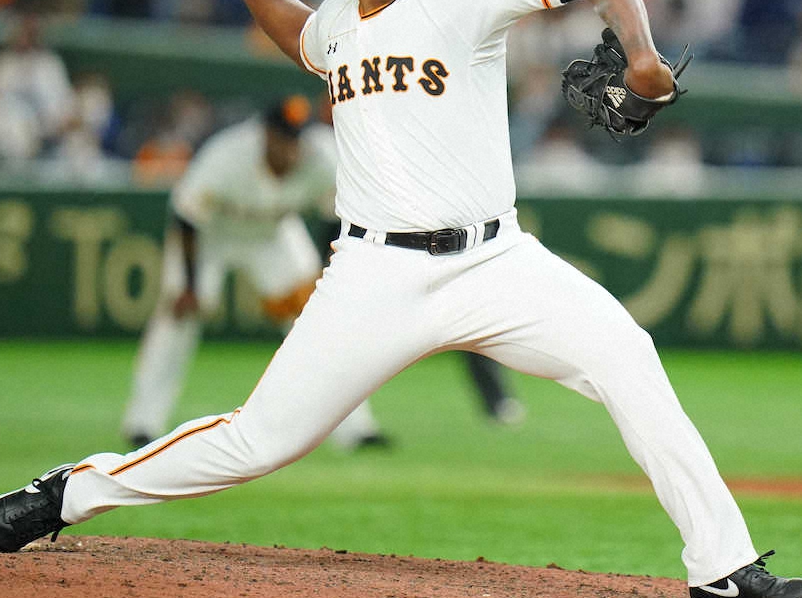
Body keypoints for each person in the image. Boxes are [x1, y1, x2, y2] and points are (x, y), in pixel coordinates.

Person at [0, 0, 802, 598]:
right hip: (374, 275)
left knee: (627, 355)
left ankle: (722, 569)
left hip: (496, 262)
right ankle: (68, 494)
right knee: (258, 441)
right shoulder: (339, 22)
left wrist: (642, 52)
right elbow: (300, 33)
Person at [122, 93, 523, 451]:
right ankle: (142, 422)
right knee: (177, 319)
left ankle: (355, 430)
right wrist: (190, 285)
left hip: (272, 234)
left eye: (296, 137)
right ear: (265, 134)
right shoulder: (228, 155)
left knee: (324, 320)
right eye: (284, 137)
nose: (291, 147)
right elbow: (187, 216)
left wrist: (323, 276)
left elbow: (338, 219)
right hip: (212, 237)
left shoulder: (321, 155)